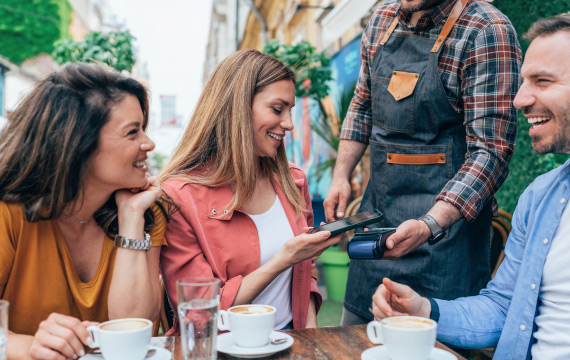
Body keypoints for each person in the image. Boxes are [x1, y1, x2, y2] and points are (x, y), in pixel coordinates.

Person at [372, 14, 570, 359]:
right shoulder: (541, 198)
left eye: (542, 81)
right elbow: (503, 309)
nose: (519, 99)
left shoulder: (483, 28)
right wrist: (424, 310)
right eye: (523, 82)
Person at [323, 0, 522, 325]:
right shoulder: (381, 19)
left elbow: (491, 152)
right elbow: (362, 105)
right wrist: (341, 175)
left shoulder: (486, 30)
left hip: (446, 244)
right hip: (379, 231)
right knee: (355, 342)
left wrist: (429, 224)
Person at [159, 49, 340, 334]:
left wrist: (310, 338)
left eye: (291, 110)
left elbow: (305, 273)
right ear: (238, 107)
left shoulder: (294, 182)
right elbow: (198, 313)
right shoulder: (179, 197)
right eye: (277, 109)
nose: (289, 124)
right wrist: (283, 259)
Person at [0, 63, 167, 360]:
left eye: (144, 128)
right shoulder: (8, 210)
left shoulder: (146, 210)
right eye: (132, 132)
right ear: (79, 142)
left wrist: (130, 218)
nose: (149, 143)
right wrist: (29, 347)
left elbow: (135, 329)